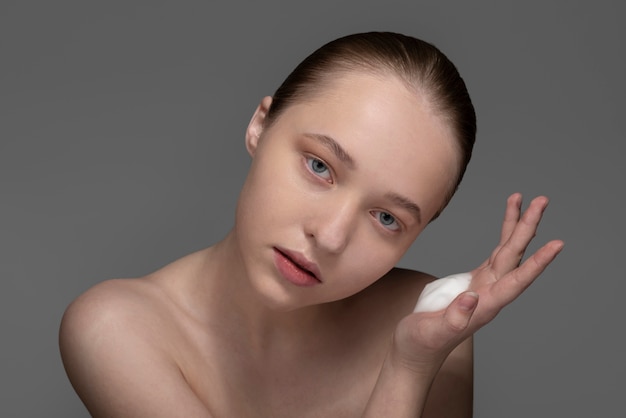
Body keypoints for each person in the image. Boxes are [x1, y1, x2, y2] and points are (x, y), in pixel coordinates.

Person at [59, 32, 563, 417]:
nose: (331, 235)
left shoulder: (431, 326)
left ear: (423, 229)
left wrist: (412, 363)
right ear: (261, 124)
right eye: (320, 166)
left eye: (387, 218)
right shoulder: (115, 327)